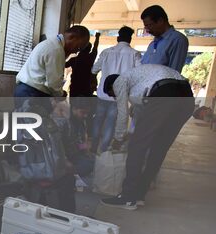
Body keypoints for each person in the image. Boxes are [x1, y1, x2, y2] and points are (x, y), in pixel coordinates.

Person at [100, 65, 194, 209]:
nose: (116, 97)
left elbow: (123, 114)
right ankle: (139, 195)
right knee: (159, 148)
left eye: (113, 94)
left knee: (137, 147)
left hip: (165, 93)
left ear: (112, 86)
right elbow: (144, 117)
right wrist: (133, 134)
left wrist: (118, 138)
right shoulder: (139, 81)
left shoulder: (120, 81)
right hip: (186, 97)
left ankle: (127, 197)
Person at [90, 26, 141, 153]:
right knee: (110, 125)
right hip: (119, 97)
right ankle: (103, 152)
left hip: (102, 94)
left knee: (98, 121)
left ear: (118, 38)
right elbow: (139, 74)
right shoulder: (135, 54)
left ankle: (92, 149)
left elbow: (94, 70)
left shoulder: (106, 52)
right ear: (130, 39)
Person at [14, 25, 91, 102]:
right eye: (78, 47)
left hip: (24, 91)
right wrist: (61, 94)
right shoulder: (57, 50)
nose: (75, 52)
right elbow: (53, 84)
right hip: (32, 94)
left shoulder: (51, 43)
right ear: (71, 37)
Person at [140, 5, 188, 73]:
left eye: (149, 25)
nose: (147, 30)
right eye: (146, 26)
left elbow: (173, 73)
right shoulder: (153, 43)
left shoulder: (177, 39)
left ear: (160, 21)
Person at [66, 32, 100, 97]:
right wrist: (97, 37)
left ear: (80, 49)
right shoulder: (90, 58)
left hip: (74, 87)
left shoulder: (74, 60)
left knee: (74, 106)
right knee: (86, 106)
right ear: (89, 50)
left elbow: (64, 65)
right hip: (86, 87)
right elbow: (95, 47)